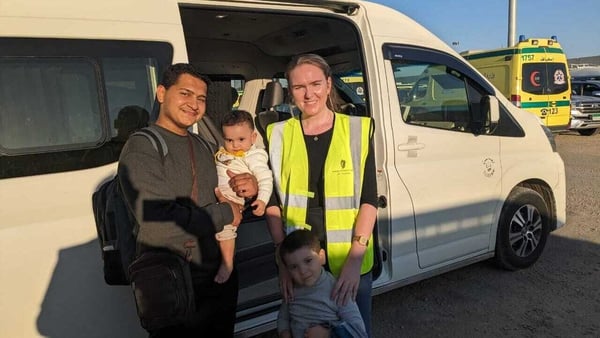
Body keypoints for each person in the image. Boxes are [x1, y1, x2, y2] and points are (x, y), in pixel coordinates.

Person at [118, 63, 258, 337]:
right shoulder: (143, 146)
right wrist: (225, 214)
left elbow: (232, 195)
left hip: (217, 278)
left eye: (201, 98)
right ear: (161, 93)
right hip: (174, 281)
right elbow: (158, 222)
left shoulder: (205, 145)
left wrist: (248, 187)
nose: (194, 104)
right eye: (185, 93)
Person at [266, 54, 378, 337]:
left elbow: (369, 199)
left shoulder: (357, 129)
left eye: (315, 83)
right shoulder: (277, 134)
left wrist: (355, 261)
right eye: (299, 87)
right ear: (290, 91)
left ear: (329, 85)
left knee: (351, 333)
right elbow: (273, 203)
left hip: (348, 258)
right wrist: (283, 262)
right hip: (299, 260)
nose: (308, 93)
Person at [213, 109, 277, 283]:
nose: (235, 145)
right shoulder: (223, 153)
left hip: (232, 200)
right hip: (215, 198)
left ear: (253, 138)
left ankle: (227, 264)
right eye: (229, 140)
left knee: (226, 230)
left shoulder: (254, 156)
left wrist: (262, 200)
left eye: (241, 139)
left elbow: (265, 179)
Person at [277, 229, 367, 338]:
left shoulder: (337, 289)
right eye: (294, 267)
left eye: (308, 260)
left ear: (321, 257)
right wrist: (284, 333)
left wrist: (328, 334)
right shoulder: (292, 290)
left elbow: (358, 332)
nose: (303, 271)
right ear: (287, 270)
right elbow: (283, 318)